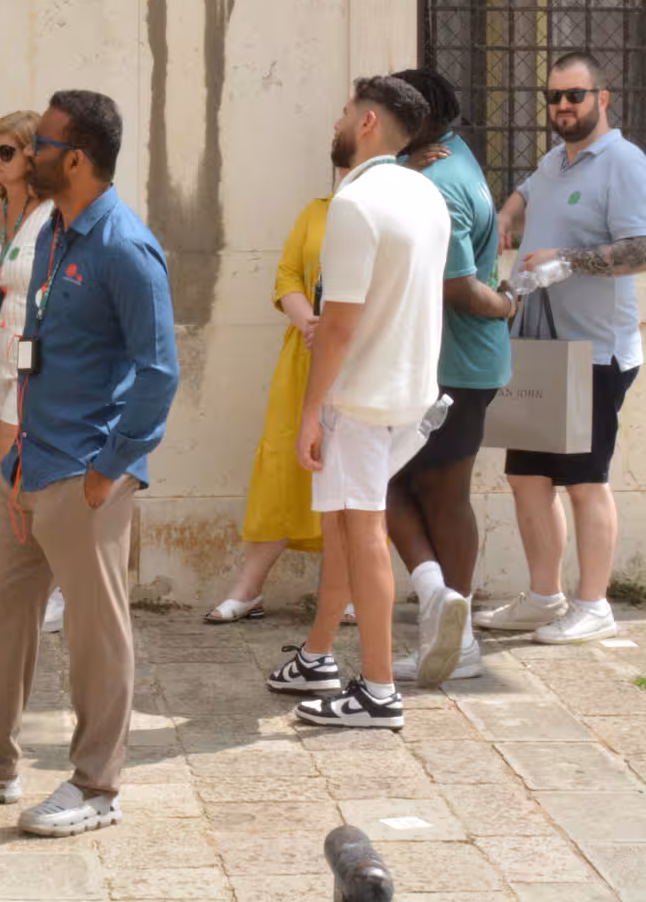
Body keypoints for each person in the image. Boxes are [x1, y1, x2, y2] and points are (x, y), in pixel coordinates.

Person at [0, 90, 178, 837]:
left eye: (45, 145)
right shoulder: (52, 231)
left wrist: (110, 466)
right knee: (1, 609)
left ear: (77, 158)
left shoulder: (125, 246)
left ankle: (97, 786)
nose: (32, 155)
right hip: (25, 460)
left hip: (84, 473)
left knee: (97, 634)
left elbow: (159, 373)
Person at [267, 78, 445, 730]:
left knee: (362, 533)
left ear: (367, 122)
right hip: (408, 392)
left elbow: (338, 326)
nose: (336, 122)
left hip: (362, 396)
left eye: (344, 111)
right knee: (345, 525)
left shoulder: (356, 202)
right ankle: (318, 655)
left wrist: (312, 412)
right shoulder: (424, 193)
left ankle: (377, 689)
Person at [477, 52, 646, 645]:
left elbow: (642, 248)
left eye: (575, 95)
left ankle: (594, 604)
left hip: (595, 353)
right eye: (553, 97)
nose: (563, 106)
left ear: (605, 97)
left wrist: (566, 261)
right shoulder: (557, 160)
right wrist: (509, 210)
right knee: (526, 477)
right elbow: (532, 189)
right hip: (542, 352)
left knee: (584, 480)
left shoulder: (624, 164)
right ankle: (545, 597)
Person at [385, 68, 514, 685]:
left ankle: (452, 633)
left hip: (454, 366)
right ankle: (441, 608)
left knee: (430, 492)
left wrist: (506, 303)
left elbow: (459, 288)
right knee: (400, 487)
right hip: (448, 363)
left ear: (419, 121)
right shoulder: (444, 161)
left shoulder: (437, 179)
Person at [206, 185, 333, 623]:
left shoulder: (387, 206)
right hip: (304, 358)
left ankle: (349, 588)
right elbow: (287, 276)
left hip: (359, 363)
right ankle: (250, 587)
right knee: (282, 468)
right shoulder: (315, 210)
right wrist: (310, 323)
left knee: (354, 470)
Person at [0, 111, 62, 635]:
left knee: (12, 479)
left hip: (28, 362)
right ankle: (49, 577)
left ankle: (37, 587)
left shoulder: (51, 217)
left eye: (6, 151)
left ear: (30, 156)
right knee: (18, 485)